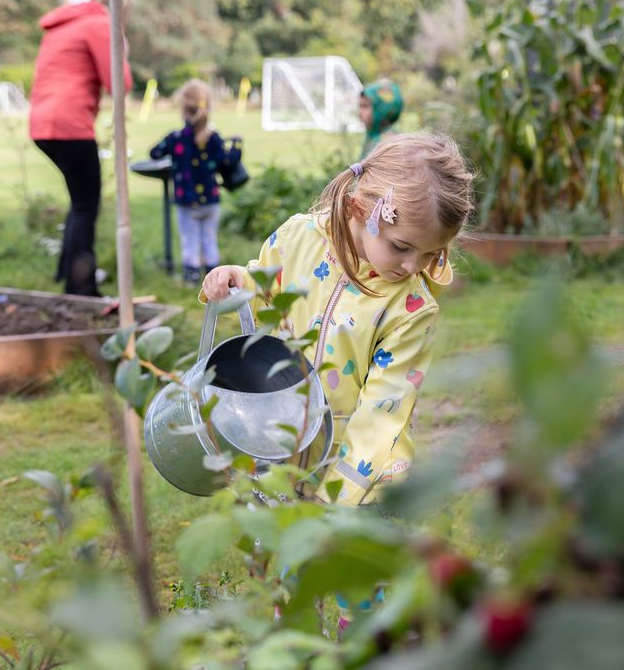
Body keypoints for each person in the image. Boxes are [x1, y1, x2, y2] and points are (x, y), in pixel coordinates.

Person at [202, 133, 474, 507]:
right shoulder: (300, 238)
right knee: (285, 559)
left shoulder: (411, 309)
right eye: (401, 247)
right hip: (289, 446)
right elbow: (267, 283)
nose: (414, 266)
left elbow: (382, 412)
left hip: (362, 483)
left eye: (430, 254)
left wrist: (340, 498)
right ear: (360, 209)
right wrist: (237, 280)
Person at [29, 0, 133, 296]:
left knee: (79, 203)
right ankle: (81, 288)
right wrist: (121, 49)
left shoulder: (64, 25)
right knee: (87, 206)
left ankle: (67, 274)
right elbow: (119, 83)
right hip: (70, 125)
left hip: (41, 124)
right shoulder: (100, 24)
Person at [150, 79, 235, 285]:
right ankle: (215, 280)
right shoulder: (214, 138)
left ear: (183, 109)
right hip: (210, 201)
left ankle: (191, 279)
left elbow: (154, 153)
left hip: (186, 201)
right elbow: (227, 161)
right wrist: (237, 147)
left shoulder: (176, 138)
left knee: (190, 240)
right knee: (209, 239)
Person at [358, 79, 404, 159]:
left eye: (365, 106)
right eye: (360, 106)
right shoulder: (373, 136)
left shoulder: (389, 143)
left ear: (381, 109)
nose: (360, 113)